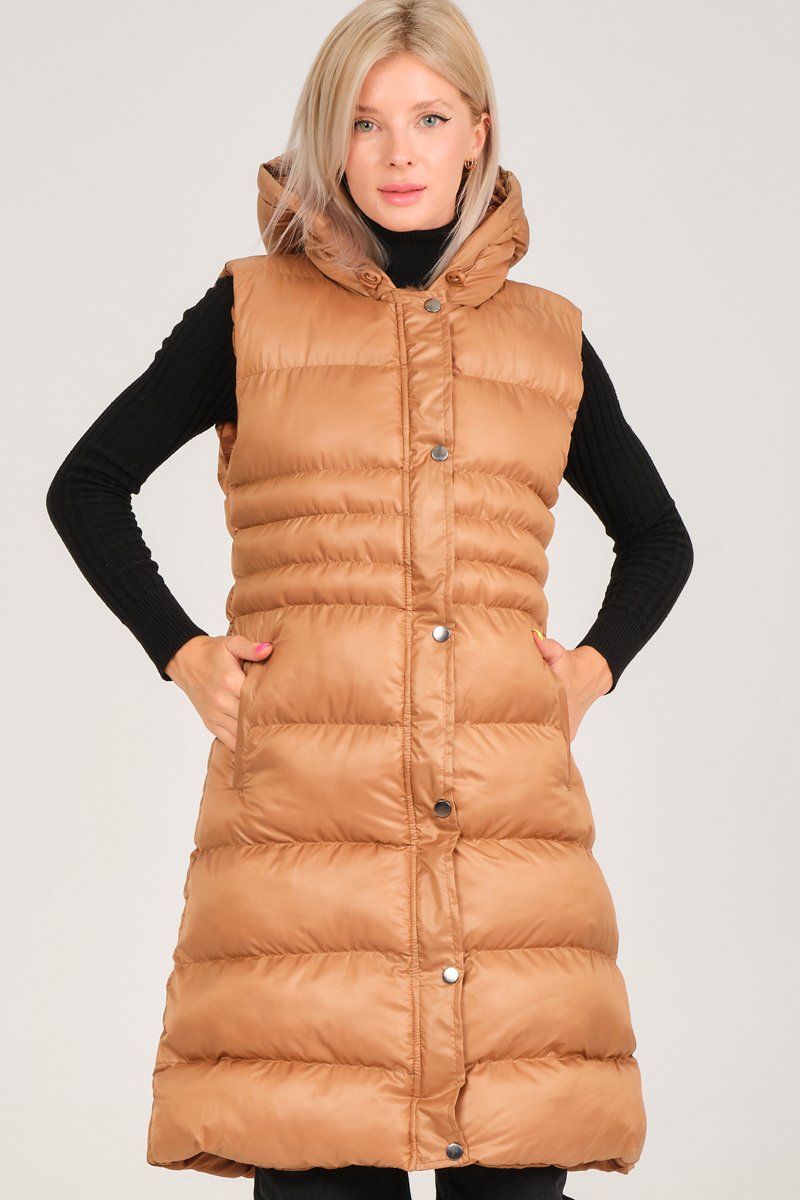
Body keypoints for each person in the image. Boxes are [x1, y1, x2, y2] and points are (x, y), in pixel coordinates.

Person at [46, 2, 693, 1197]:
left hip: (503, 847)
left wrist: (589, 671)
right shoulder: (251, 311)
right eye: (364, 122)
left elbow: (657, 538)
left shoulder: (545, 339)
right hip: (305, 843)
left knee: (510, 1155)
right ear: (327, 141)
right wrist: (182, 652)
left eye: (428, 119)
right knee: (319, 1158)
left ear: (476, 132)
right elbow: (86, 485)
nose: (398, 153)